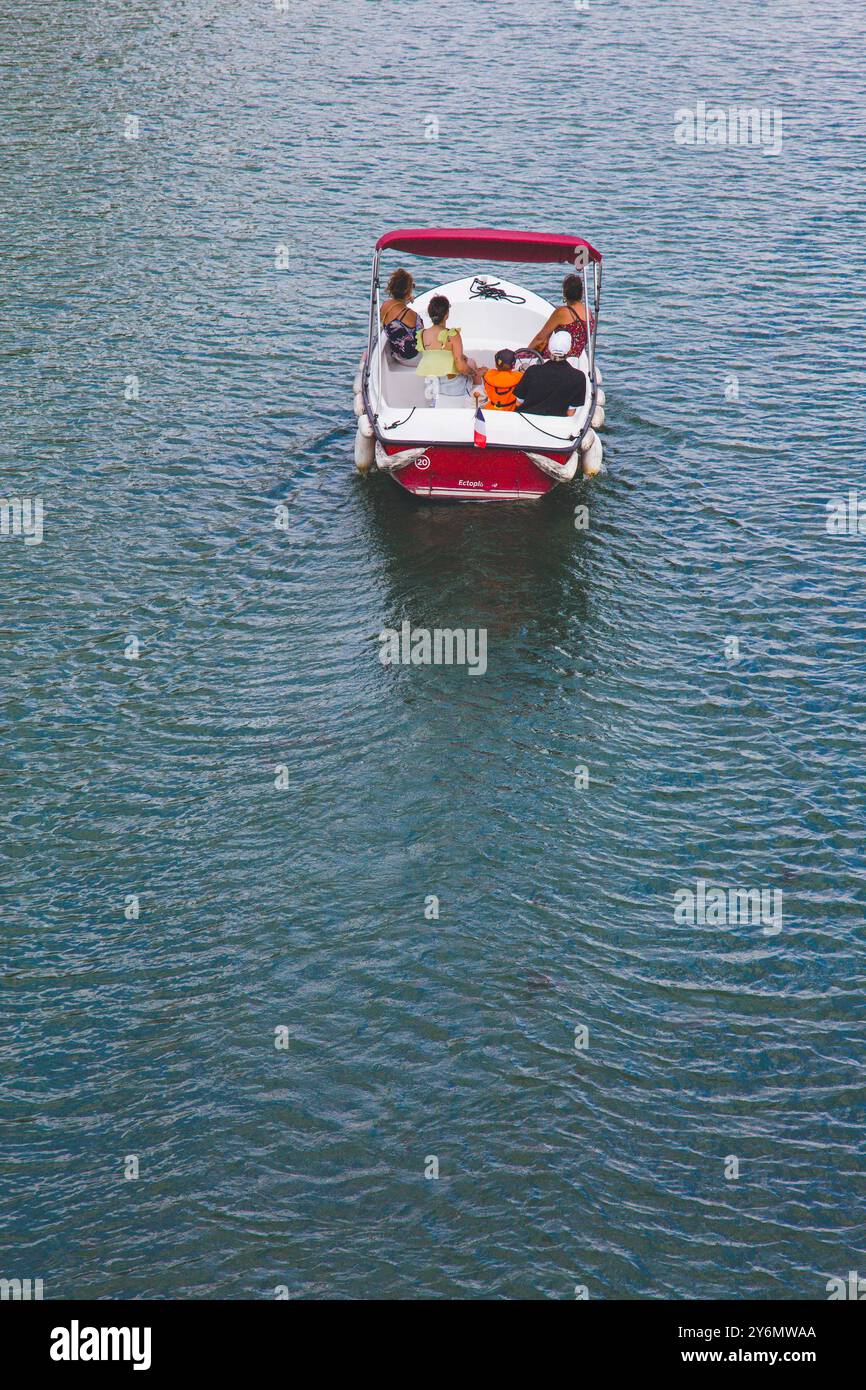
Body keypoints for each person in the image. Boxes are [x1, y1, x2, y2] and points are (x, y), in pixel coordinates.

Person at [415, 295, 483, 406]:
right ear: (446, 315)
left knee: (468, 361)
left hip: (431, 385)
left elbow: (437, 355)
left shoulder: (422, 334)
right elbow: (460, 366)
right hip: (451, 387)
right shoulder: (452, 334)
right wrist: (475, 373)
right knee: (472, 364)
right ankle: (477, 399)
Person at [514, 330, 587, 416]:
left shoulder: (532, 371)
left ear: (549, 350)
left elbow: (518, 403)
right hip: (555, 425)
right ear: (569, 351)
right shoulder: (578, 377)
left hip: (526, 420)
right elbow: (570, 412)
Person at [528, 273, 594, 360]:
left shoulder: (563, 312)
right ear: (581, 293)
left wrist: (526, 352)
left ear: (565, 292)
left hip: (557, 357)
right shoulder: (588, 311)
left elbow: (540, 338)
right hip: (574, 358)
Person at [380, 268, 423, 361]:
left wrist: (406, 298)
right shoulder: (412, 315)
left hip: (396, 354)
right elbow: (422, 339)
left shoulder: (384, 306)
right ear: (408, 291)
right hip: (411, 359)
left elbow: (396, 307)